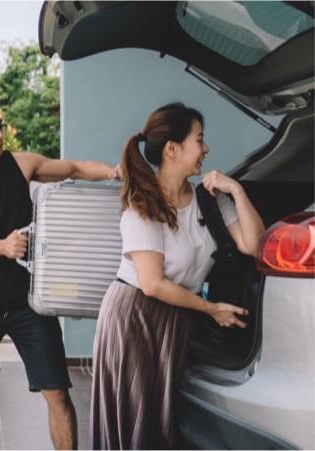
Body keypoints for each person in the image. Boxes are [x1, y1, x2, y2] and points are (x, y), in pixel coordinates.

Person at [0, 93, 122, 450]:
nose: (0, 135)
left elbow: (77, 168)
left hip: (29, 305)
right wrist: (0, 247)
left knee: (58, 395)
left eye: (0, 126)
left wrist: (113, 171)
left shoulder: (21, 165)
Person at [89, 103, 265, 449]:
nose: (206, 149)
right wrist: (211, 309)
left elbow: (255, 245)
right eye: (199, 140)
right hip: (135, 317)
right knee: (135, 420)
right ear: (173, 149)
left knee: (159, 423)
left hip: (176, 316)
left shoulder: (209, 200)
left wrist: (238, 191)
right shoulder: (143, 206)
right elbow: (152, 284)